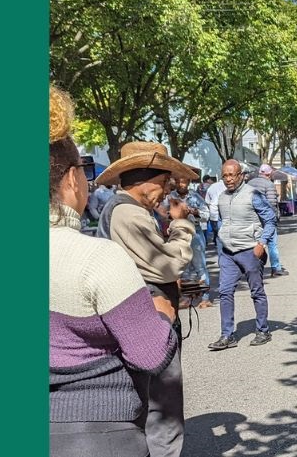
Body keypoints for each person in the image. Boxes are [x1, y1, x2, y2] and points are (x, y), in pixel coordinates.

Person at [50, 84, 178, 457]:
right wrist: (162, 315)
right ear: (73, 179)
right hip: (97, 432)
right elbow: (149, 353)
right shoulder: (97, 256)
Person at [94, 140, 198, 457]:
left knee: (149, 404)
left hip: (142, 322)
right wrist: (181, 224)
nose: (166, 191)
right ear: (147, 178)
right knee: (161, 411)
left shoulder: (131, 210)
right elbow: (169, 264)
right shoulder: (127, 212)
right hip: (147, 323)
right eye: (164, 182)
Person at [207, 159, 278, 351]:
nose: (228, 179)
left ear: (241, 175)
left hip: (250, 250)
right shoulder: (221, 197)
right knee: (225, 291)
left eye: (232, 175)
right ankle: (227, 335)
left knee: (256, 291)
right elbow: (223, 222)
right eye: (225, 175)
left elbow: (271, 220)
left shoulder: (252, 194)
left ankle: (262, 330)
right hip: (228, 253)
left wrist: (261, 243)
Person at [171, 176, 214, 308]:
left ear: (188, 182)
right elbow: (163, 213)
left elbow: (207, 215)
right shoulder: (170, 197)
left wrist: (194, 212)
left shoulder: (195, 197)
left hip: (194, 232)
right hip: (177, 233)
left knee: (200, 266)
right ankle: (188, 297)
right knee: (184, 268)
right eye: (178, 181)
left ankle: (205, 298)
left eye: (183, 181)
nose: (180, 184)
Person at [249, 164, 289, 277]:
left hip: (252, 218)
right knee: (272, 243)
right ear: (268, 174)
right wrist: (275, 218)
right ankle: (276, 268)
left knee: (255, 242)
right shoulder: (269, 184)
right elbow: (271, 204)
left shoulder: (249, 183)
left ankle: (253, 268)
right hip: (266, 218)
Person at [205, 175, 227, 243]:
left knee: (216, 231)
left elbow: (207, 201)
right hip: (224, 213)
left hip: (213, 212)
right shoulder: (227, 187)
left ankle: (216, 241)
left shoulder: (212, 187)